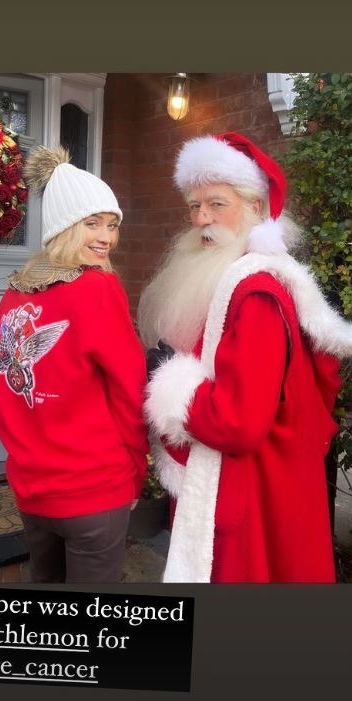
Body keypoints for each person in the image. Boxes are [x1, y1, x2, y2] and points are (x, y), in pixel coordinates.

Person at [138, 131, 352, 583]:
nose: (201, 218)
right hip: (261, 483)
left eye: (217, 204)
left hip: (252, 491)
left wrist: (171, 386)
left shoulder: (255, 294)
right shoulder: (232, 276)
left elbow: (240, 420)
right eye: (194, 206)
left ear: (256, 208)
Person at [0, 145, 149, 583]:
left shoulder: (15, 294)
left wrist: (22, 461)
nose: (106, 238)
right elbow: (130, 390)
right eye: (91, 223)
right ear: (63, 227)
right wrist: (137, 469)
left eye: (112, 225)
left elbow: (3, 396)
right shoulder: (96, 289)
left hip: (32, 488)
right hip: (93, 488)